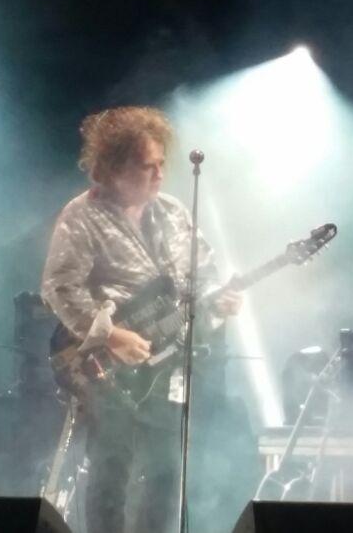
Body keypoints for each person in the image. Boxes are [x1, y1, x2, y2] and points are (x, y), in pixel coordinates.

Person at [41, 106, 242, 533]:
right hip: (103, 363)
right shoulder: (83, 215)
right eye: (146, 165)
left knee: (168, 468)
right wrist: (111, 335)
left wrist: (219, 303)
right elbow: (59, 287)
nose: (158, 174)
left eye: (161, 164)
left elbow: (202, 277)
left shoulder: (173, 213)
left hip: (164, 361)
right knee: (113, 463)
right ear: (113, 168)